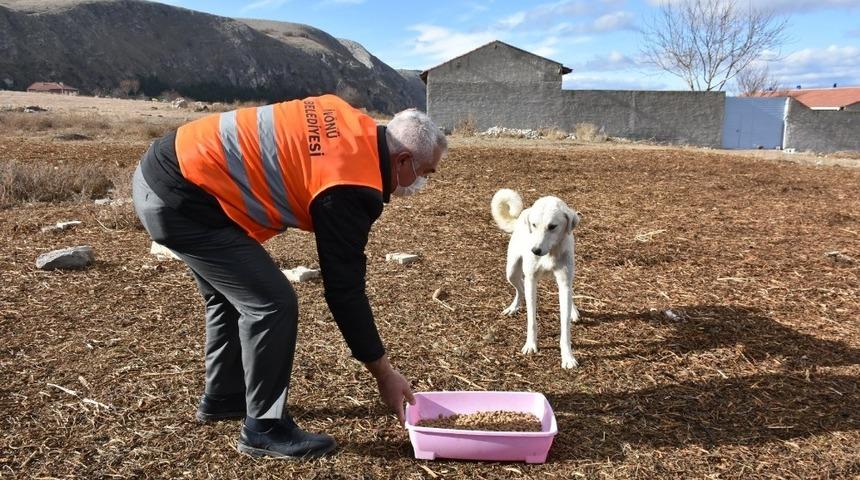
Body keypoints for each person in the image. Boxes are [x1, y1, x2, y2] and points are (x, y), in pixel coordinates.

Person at [131, 94, 447, 459]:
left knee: (231, 295)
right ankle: (264, 428)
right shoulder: (350, 185)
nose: (421, 182)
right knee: (272, 303)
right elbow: (344, 289)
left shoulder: (349, 121)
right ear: (402, 160)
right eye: (424, 173)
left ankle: (224, 396)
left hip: (166, 169)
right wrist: (384, 372)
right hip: (181, 196)